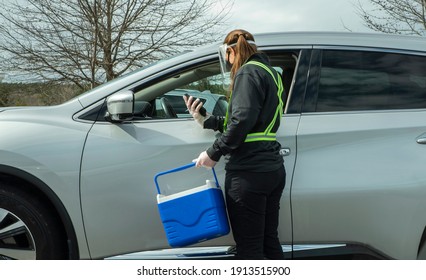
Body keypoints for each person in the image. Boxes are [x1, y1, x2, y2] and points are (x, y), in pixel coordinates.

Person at [183, 29, 286, 260]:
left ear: (230, 51)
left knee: (249, 250)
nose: (228, 63)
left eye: (226, 55)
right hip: (272, 170)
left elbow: (243, 120)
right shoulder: (270, 73)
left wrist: (213, 153)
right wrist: (207, 120)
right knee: (269, 242)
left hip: (249, 173)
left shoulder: (247, 73)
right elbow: (252, 121)